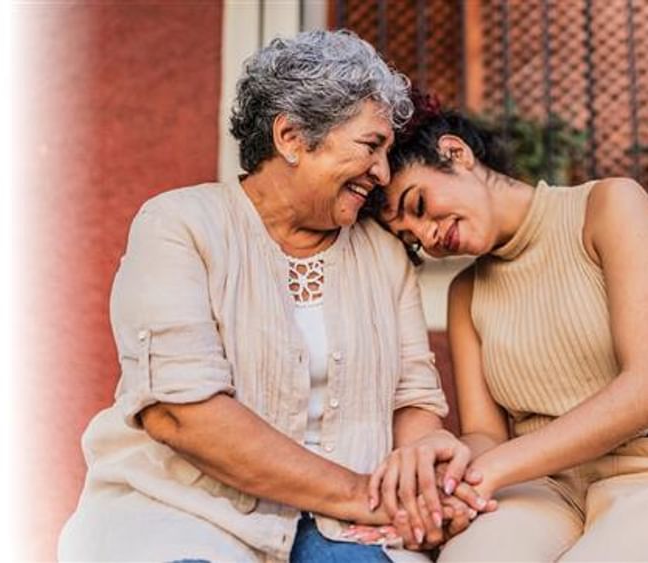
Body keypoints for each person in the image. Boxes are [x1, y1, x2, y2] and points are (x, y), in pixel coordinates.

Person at [58, 31, 479, 562]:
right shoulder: (179, 225)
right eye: (371, 146)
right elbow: (183, 414)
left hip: (343, 525)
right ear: (292, 137)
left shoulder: (381, 254)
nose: (383, 173)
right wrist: (360, 494)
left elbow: (412, 401)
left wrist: (421, 474)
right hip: (187, 510)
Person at [372, 97, 648, 561]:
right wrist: (452, 479)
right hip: (540, 490)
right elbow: (485, 434)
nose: (427, 236)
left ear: (456, 153)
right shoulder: (466, 292)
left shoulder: (607, 206)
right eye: (410, 238)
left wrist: (494, 468)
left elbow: (643, 387)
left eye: (418, 204)